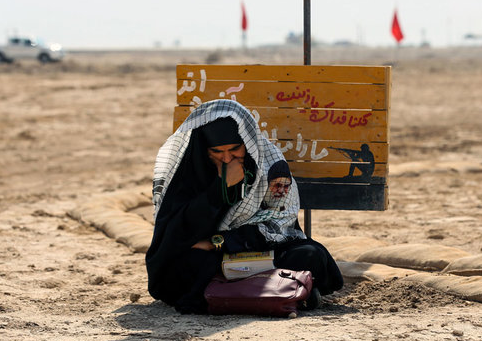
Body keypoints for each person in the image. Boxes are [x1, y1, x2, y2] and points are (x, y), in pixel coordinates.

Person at [146, 100, 343, 314]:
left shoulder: (271, 166)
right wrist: (218, 190)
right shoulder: (189, 171)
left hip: (258, 248)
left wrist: (221, 242)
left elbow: (280, 221)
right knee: (184, 267)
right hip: (211, 257)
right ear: (204, 149)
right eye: (217, 152)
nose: (227, 158)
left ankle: (224, 294)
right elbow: (176, 230)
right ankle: (282, 290)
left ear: (247, 143)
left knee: (310, 255)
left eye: (234, 149)